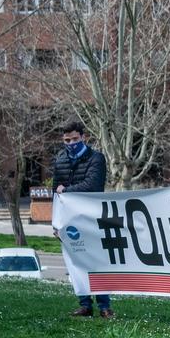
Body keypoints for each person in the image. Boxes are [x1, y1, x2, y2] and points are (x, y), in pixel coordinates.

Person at [53, 120, 111, 318]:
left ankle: (104, 306)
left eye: (75, 139)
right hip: (70, 220)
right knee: (76, 263)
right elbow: (56, 194)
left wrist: (67, 190)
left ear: (83, 137)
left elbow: (92, 185)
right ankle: (85, 304)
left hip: (92, 217)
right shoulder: (60, 160)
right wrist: (56, 223)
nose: (71, 143)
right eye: (67, 140)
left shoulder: (96, 159)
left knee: (97, 262)